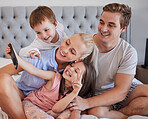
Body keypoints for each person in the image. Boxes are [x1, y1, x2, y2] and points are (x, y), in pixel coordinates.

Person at [70, 3, 148, 119]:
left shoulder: (128, 52)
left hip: (124, 91)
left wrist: (86, 104)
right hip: (97, 94)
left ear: (123, 29)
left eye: (111, 25)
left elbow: (121, 91)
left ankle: (122, 113)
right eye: (101, 22)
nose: (103, 28)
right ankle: (123, 114)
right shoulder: (85, 46)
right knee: (97, 112)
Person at [0, 33, 95, 119]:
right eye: (67, 43)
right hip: (20, 95)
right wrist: (17, 58)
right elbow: (31, 70)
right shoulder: (38, 56)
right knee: (3, 78)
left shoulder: (73, 72)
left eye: (72, 52)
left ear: (79, 59)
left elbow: (76, 100)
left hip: (40, 108)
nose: (65, 50)